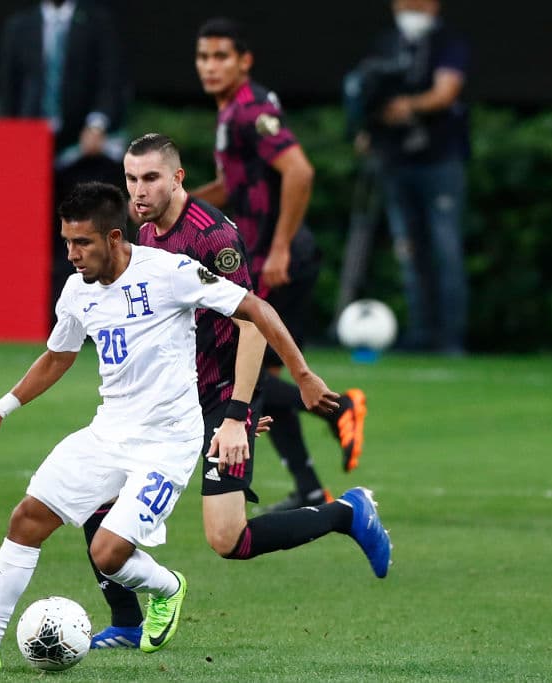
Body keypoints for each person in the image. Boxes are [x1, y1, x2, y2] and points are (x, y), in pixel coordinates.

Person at [0, 182, 361, 668]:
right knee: (26, 519)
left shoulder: (170, 273)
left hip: (167, 443)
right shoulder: (76, 291)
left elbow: (255, 309)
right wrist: (2, 407)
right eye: (66, 242)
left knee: (108, 554)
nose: (72, 254)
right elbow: (58, 357)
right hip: (108, 432)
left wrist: (301, 374)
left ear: (113, 237)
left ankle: (168, 588)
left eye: (82, 243)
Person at [84, 134, 393, 649]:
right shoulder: (141, 232)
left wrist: (236, 415)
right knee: (94, 494)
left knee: (228, 539)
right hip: (166, 402)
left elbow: (251, 324)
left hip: (218, 400)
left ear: (178, 178)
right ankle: (126, 622)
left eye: (151, 178)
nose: (138, 190)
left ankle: (347, 512)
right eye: (132, 178)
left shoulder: (212, 238)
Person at [191, 17, 368, 513]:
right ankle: (310, 487)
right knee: (262, 371)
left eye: (221, 56)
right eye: (203, 57)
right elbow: (235, 188)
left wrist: (282, 247)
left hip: (275, 261)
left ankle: (341, 409)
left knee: (238, 370)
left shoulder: (249, 111)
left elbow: (299, 170)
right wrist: (175, 205)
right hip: (265, 257)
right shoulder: (235, 113)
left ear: (244, 61)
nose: (210, 66)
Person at [351, 0, 470, 355]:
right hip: (395, 160)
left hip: (439, 159)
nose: (411, 8)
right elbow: (367, 91)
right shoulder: (387, 44)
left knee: (444, 247)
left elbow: (446, 91)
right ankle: (421, 334)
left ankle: (450, 337)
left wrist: (408, 106)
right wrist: (367, 125)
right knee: (409, 250)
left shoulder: (449, 42)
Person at [0, 0, 130, 307]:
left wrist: (98, 123)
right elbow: (9, 89)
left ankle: (104, 310)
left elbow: (112, 79)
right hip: (33, 150)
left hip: (83, 151)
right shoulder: (20, 26)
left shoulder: (97, 21)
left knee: (88, 234)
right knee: (38, 240)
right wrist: (8, 140)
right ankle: (50, 316)